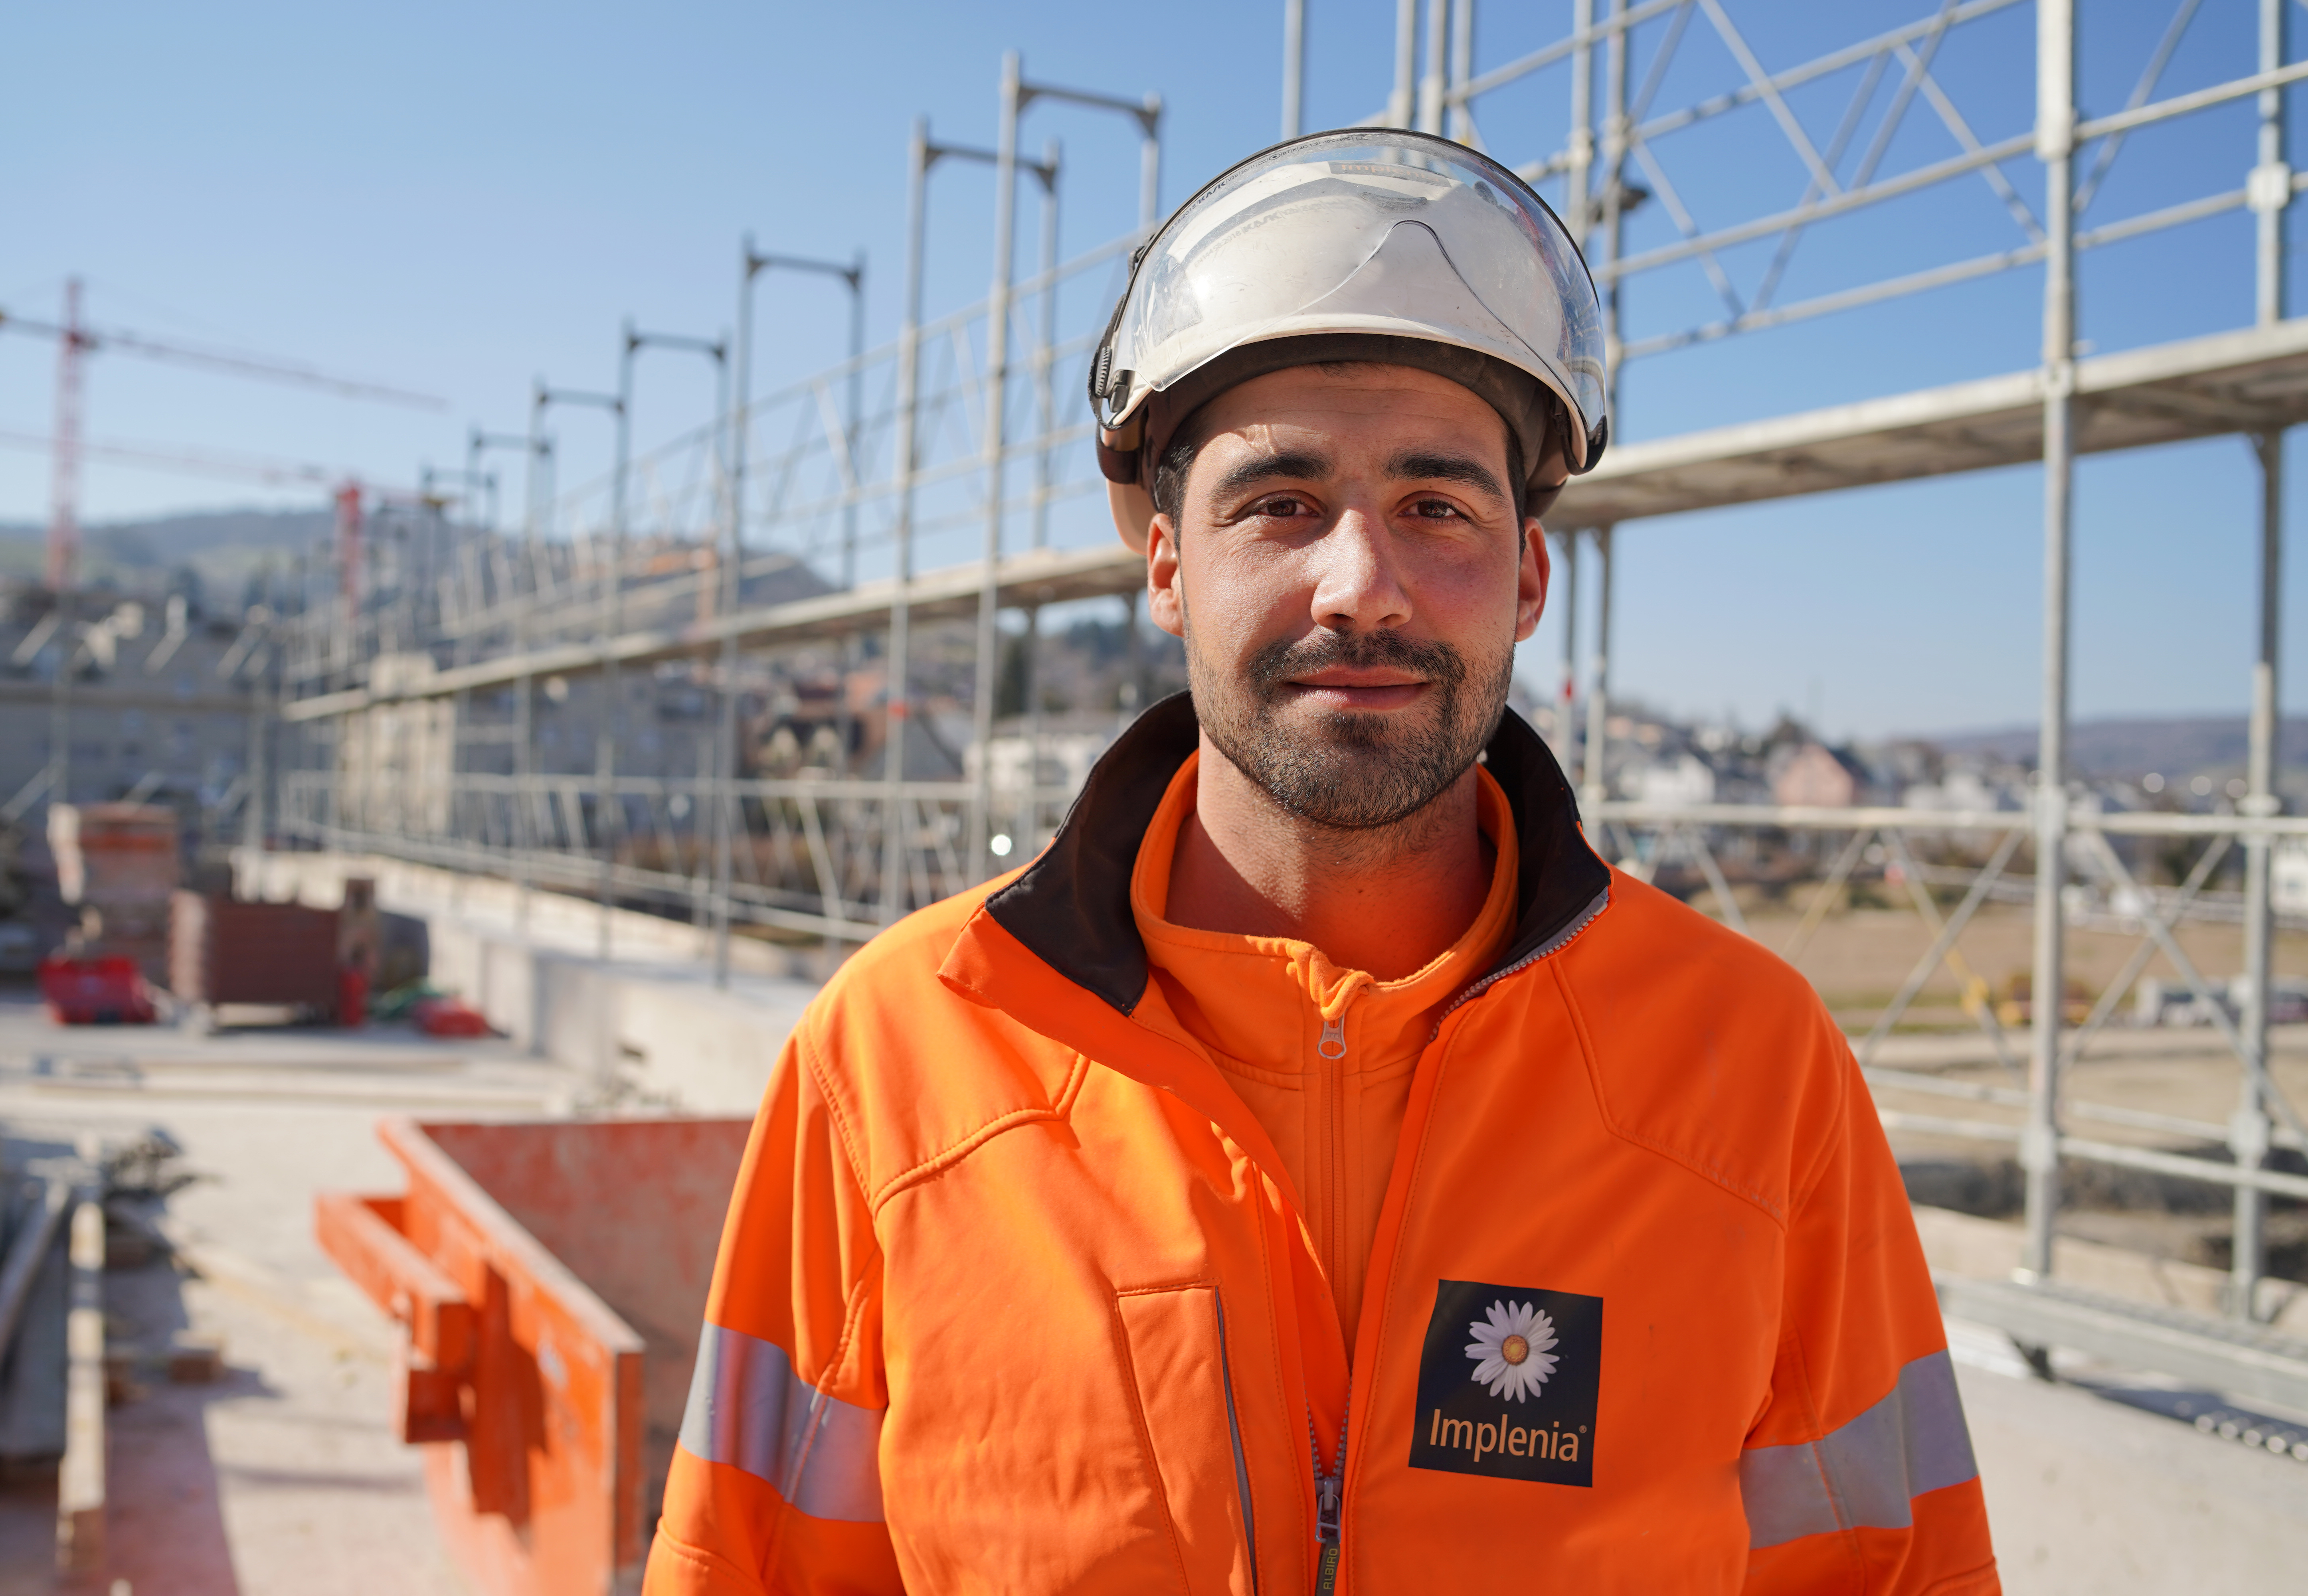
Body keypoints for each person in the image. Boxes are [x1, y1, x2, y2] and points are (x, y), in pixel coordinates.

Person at [646, 130, 1997, 1596]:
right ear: (1167, 564)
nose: (1361, 585)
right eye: (1281, 503)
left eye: (1438, 507)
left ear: (1529, 579)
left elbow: (1894, 1568)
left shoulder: (1751, 1068)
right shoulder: (905, 1056)